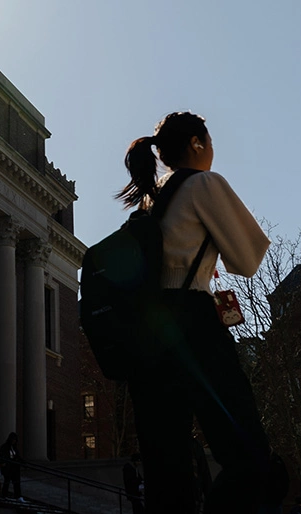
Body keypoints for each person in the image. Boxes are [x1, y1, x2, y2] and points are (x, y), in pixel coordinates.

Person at [116, 111, 273, 514]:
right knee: (249, 453)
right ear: (197, 143)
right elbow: (247, 259)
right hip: (192, 319)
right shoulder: (204, 183)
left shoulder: (152, 199)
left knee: (166, 470)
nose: (213, 150)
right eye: (210, 141)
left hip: (147, 332)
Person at [0, 432, 25, 503]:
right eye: (13, 439)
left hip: (15, 468)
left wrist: (23, 462)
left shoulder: (15, 448)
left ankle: (18, 496)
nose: (14, 441)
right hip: (8, 467)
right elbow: (1, 455)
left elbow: (18, 457)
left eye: (15, 440)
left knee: (17, 482)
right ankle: (4, 495)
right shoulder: (4, 447)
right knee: (7, 481)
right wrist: (3, 463)